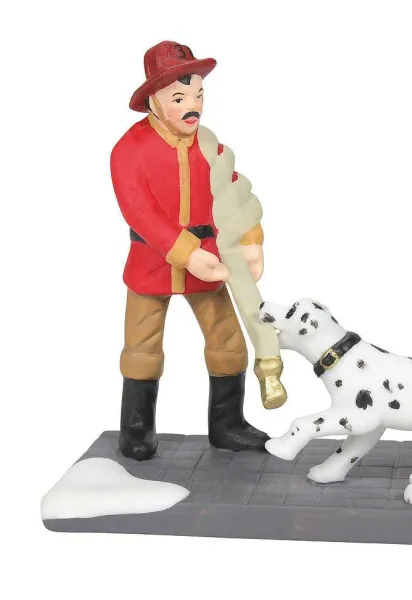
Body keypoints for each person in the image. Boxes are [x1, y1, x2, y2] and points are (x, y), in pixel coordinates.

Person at [110, 41, 269, 460]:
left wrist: (251, 239)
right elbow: (139, 210)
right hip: (152, 262)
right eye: (180, 98)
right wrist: (186, 252)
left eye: (198, 95)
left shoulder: (210, 146)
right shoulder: (129, 149)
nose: (193, 106)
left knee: (227, 341)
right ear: (154, 101)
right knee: (141, 348)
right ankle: (137, 428)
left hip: (210, 262)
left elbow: (234, 193)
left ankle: (227, 424)